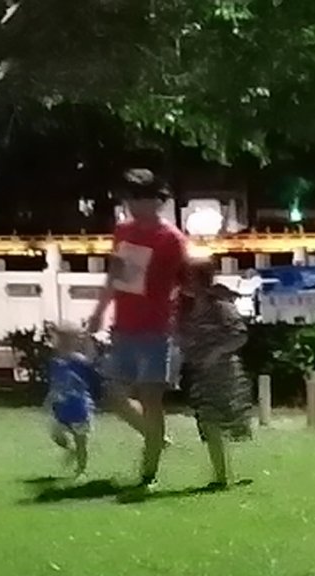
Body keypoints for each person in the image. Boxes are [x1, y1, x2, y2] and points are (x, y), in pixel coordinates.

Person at [85, 169, 190, 485]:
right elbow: (115, 276)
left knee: (150, 399)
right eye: (129, 198)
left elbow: (186, 283)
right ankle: (155, 438)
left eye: (138, 198)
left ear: (156, 201)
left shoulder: (171, 239)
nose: (131, 204)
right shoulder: (123, 232)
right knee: (113, 393)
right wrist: (99, 311)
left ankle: (148, 473)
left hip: (157, 329)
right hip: (124, 326)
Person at [175, 254, 253, 491]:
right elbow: (180, 337)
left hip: (225, 375)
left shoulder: (220, 307)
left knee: (229, 424)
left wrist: (216, 352)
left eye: (188, 278)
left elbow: (239, 335)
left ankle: (228, 474)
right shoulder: (185, 310)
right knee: (209, 423)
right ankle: (222, 476)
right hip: (200, 376)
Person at [42, 324, 105, 477]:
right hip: (61, 408)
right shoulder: (55, 362)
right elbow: (54, 383)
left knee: (81, 441)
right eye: (59, 340)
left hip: (79, 408)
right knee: (57, 436)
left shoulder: (79, 361)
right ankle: (71, 451)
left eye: (65, 340)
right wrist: (50, 399)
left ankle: (81, 470)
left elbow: (92, 374)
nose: (60, 344)